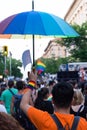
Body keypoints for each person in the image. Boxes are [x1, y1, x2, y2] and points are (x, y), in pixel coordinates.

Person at [20, 69, 87, 130]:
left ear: (52, 100)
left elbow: (23, 104)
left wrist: (32, 82)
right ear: (72, 101)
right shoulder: (83, 123)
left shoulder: (44, 120)